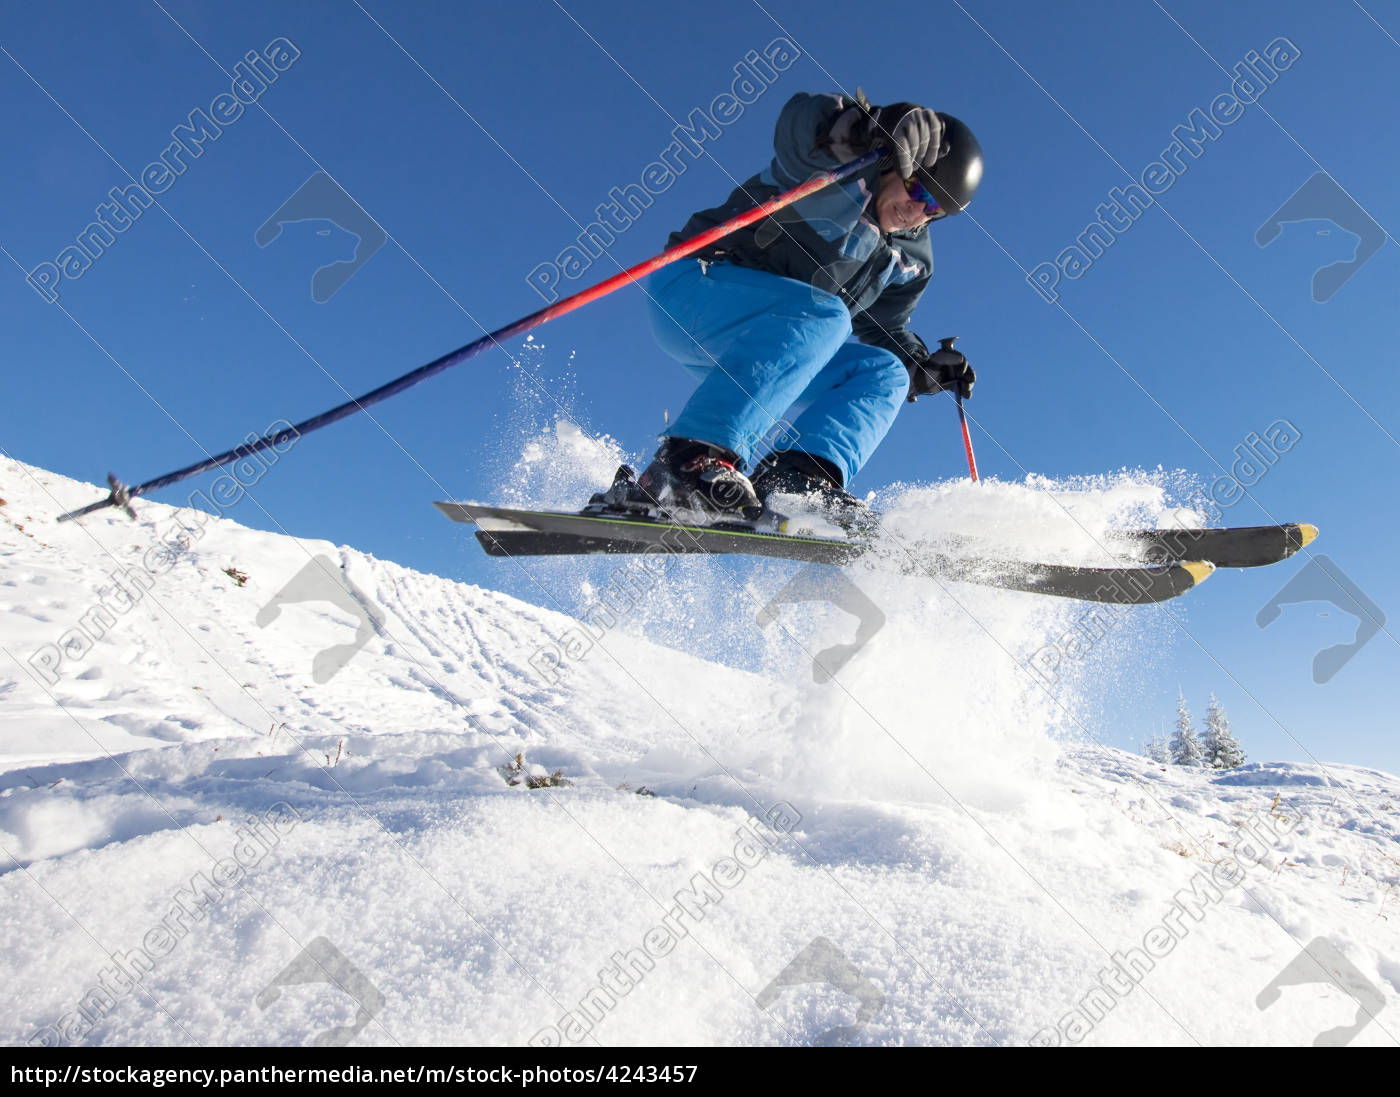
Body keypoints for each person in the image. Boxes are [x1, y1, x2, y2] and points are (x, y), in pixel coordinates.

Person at [600, 89, 982, 527]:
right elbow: (800, 129)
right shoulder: (837, 168)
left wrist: (922, 365)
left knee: (883, 373)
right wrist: (867, 129)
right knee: (826, 315)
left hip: (771, 351)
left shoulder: (910, 260)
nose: (917, 210)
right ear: (892, 164)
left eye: (933, 208)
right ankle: (685, 464)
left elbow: (886, 325)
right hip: (697, 288)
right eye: (918, 188)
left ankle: (799, 482)